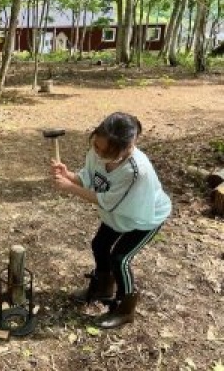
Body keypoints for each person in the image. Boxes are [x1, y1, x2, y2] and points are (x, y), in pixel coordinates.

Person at [51, 112, 171, 329]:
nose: (98, 152)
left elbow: (105, 202)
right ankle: (103, 288)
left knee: (120, 259)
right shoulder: (100, 148)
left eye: (105, 151)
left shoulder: (135, 172)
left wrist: (71, 189)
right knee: (100, 244)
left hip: (145, 217)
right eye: (96, 146)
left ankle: (124, 309)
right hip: (119, 213)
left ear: (127, 148)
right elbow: (90, 177)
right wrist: (70, 176)